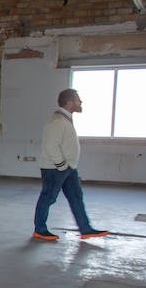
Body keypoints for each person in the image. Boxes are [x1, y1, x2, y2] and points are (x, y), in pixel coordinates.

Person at [33, 88, 109, 241]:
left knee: (76, 197)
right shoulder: (57, 121)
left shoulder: (64, 119)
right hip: (56, 168)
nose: (80, 102)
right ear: (69, 102)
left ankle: (85, 229)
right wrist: (62, 165)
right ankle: (40, 229)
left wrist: (67, 167)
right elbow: (50, 145)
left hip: (68, 168)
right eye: (78, 99)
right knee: (48, 197)